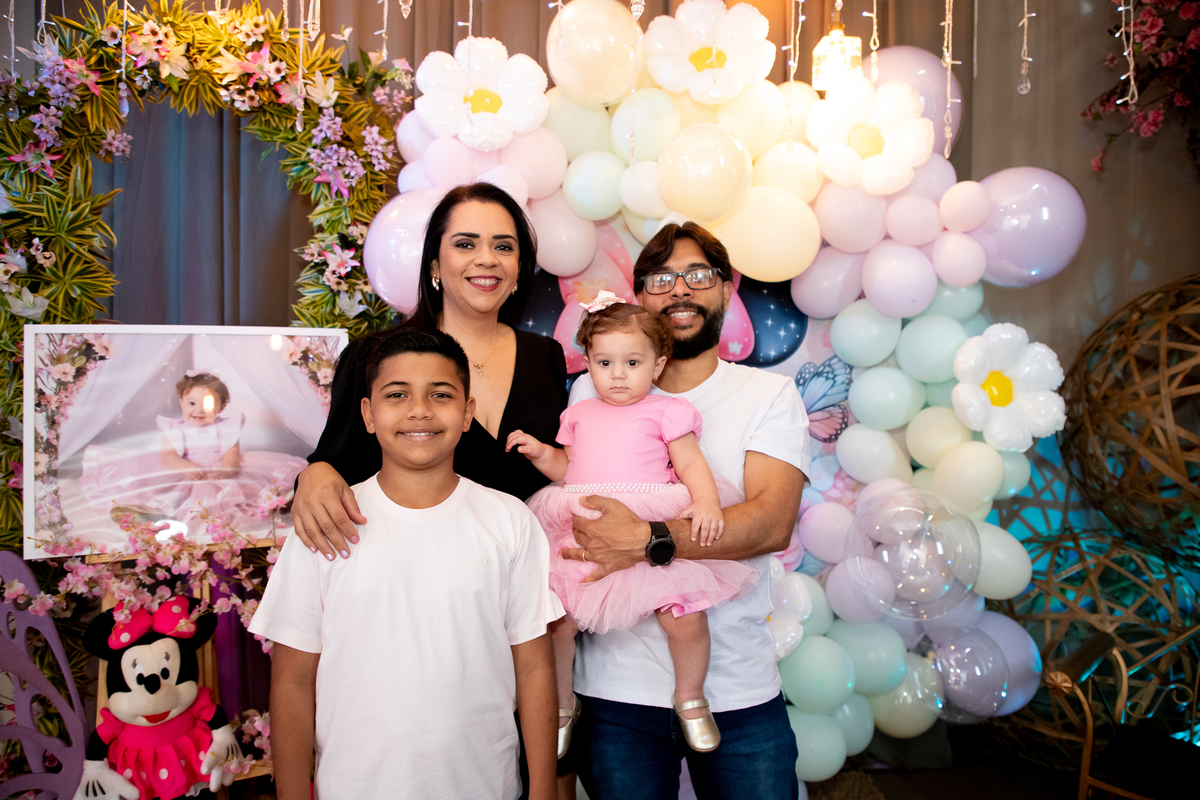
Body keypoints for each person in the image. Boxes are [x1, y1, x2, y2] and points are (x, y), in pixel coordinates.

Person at [250, 329, 563, 800]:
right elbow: (293, 681)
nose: (419, 410)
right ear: (368, 414)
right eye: (397, 395)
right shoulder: (325, 525)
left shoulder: (510, 521)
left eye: (441, 394)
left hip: (484, 784)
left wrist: (542, 791)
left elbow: (534, 668)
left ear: (467, 413)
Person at [566, 223, 811, 800]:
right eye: (661, 278)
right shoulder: (590, 394)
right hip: (614, 690)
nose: (680, 289)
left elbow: (770, 524)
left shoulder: (767, 396)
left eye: (698, 275)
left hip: (735, 689)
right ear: (639, 297)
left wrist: (646, 538)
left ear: (726, 289)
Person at [506, 298, 757, 759]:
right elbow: (568, 468)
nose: (617, 374)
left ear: (657, 365)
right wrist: (541, 453)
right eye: (604, 363)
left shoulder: (666, 410)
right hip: (585, 522)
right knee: (556, 622)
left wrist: (705, 500)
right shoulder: (579, 413)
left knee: (685, 614)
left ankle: (691, 698)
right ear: (589, 363)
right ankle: (561, 706)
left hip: (648, 518)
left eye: (633, 363)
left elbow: (690, 464)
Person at [290, 182, 568, 560]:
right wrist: (315, 475)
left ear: (519, 268)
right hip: (408, 565)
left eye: (504, 247)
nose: (487, 259)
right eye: (465, 244)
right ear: (435, 264)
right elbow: (337, 464)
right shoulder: (374, 356)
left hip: (529, 571)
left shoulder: (545, 355)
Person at [80, 371, 306, 528]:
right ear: (181, 402)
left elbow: (232, 457)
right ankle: (155, 515)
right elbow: (168, 457)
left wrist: (224, 472)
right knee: (176, 494)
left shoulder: (226, 428)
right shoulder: (175, 429)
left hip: (220, 473)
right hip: (187, 472)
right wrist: (185, 466)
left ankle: (279, 504)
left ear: (221, 407)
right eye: (191, 403)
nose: (198, 410)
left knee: (244, 492)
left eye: (207, 404)